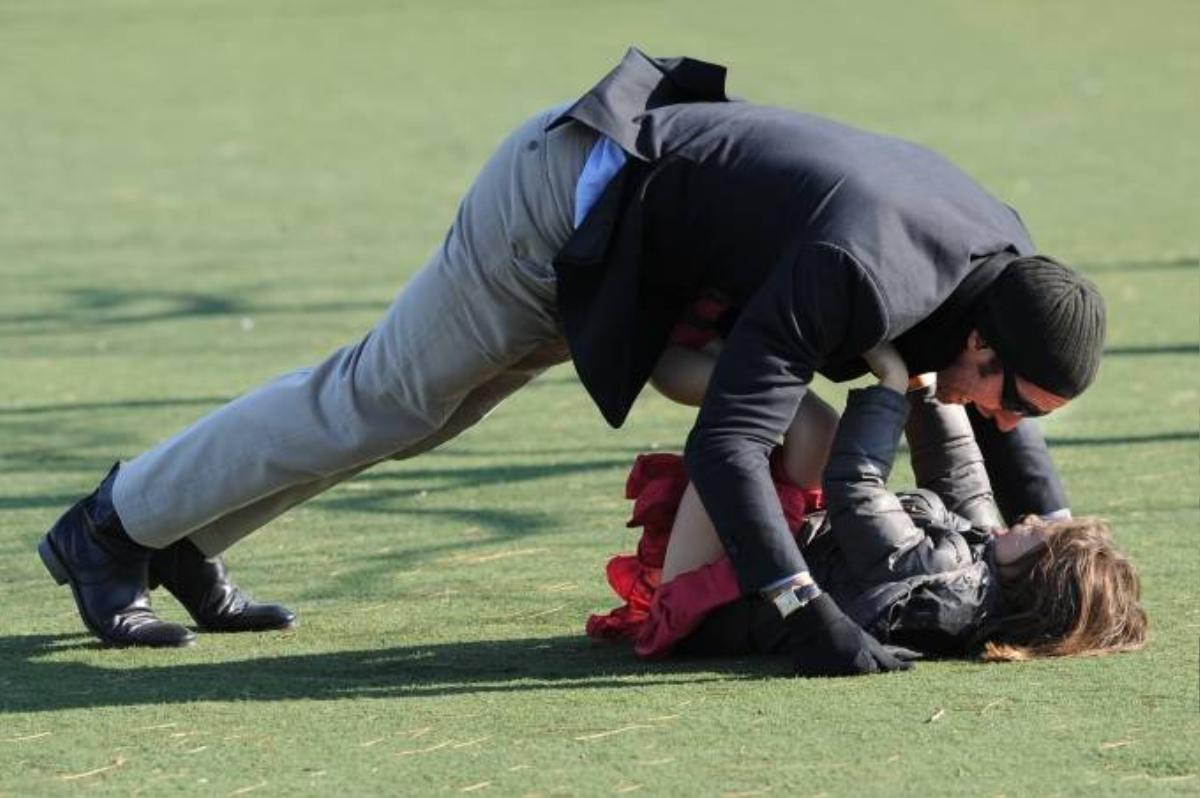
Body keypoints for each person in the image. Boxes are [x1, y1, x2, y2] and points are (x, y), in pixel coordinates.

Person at [39, 49, 1106, 676]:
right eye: (1014, 401)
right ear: (981, 343)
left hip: (652, 245)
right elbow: (729, 445)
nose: (1011, 426)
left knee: (405, 417)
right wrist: (804, 612)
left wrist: (1059, 538)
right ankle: (110, 527)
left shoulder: (993, 268)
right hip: (567, 211)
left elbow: (981, 426)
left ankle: (178, 537)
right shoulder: (865, 270)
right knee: (384, 400)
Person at [590, 344, 1147, 665]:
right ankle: (693, 345)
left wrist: (891, 382)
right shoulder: (983, 571)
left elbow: (855, 489)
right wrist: (930, 384)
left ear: (1037, 577)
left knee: (764, 415)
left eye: (1040, 536)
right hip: (764, 566)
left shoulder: (948, 578)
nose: (1031, 519)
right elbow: (960, 474)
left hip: (709, 598)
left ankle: (646, 346)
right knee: (807, 425)